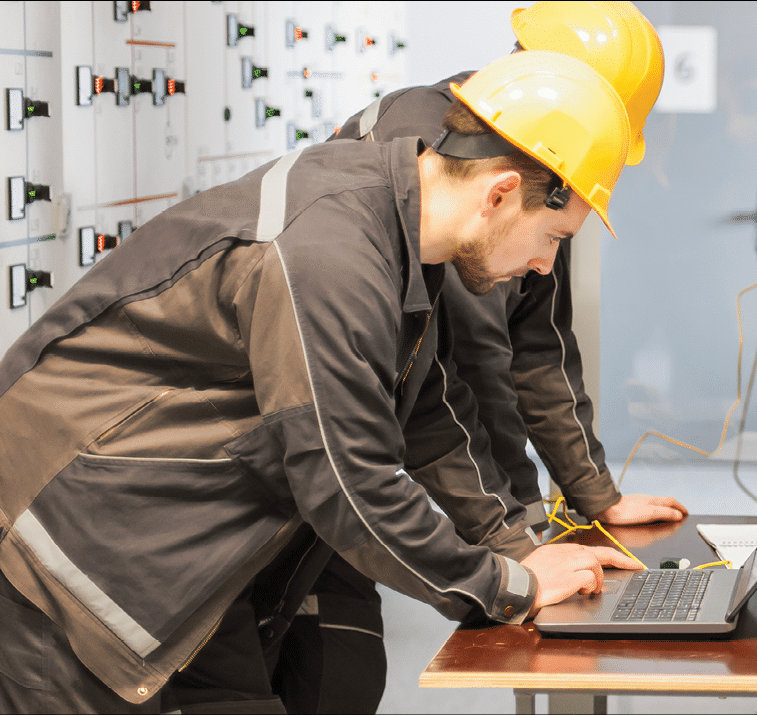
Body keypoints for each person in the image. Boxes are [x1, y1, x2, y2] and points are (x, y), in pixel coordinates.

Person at [0, 50, 642, 714]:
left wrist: (516, 548)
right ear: (499, 192)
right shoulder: (332, 251)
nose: (542, 265)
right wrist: (510, 585)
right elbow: (350, 485)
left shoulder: (398, 228)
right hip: (64, 547)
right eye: (552, 236)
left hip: (178, 545)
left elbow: (427, 418)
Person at [258, 5, 689, 711]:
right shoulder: (454, 147)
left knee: (339, 673)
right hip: (312, 457)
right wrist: (519, 539)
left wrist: (594, 494)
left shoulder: (548, 165)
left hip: (352, 463)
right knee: (324, 676)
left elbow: (540, 344)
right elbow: (470, 367)